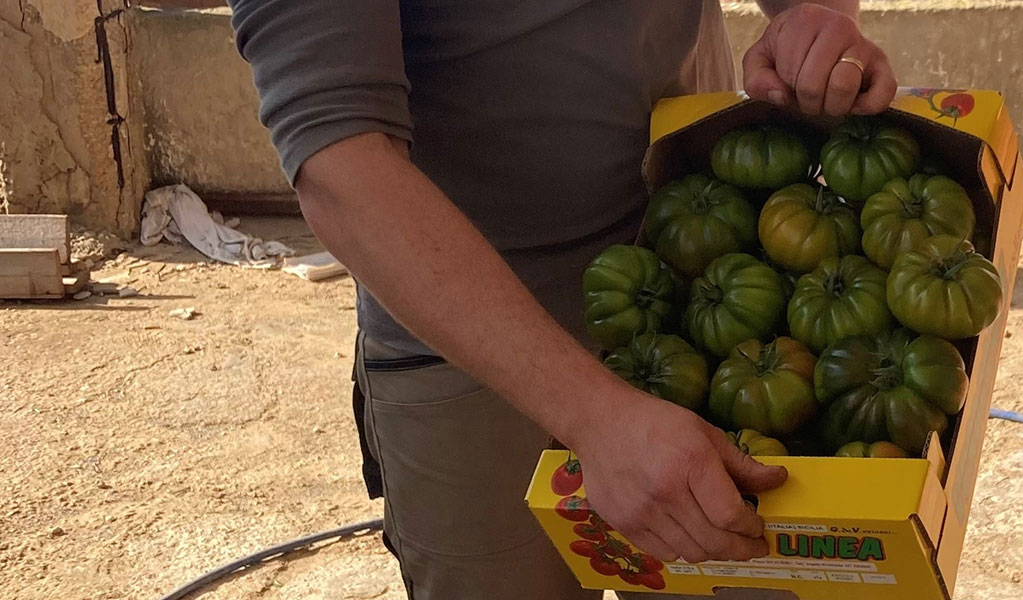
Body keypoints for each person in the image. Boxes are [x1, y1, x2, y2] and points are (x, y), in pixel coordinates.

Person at [228, 1, 896, 598]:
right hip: (470, 354)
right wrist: (597, 416)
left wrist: (812, 17)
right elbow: (340, 163)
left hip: (713, 286)